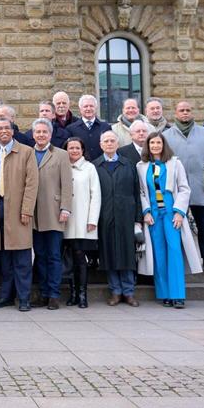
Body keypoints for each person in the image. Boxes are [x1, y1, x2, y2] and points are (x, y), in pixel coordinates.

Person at [137, 132, 203, 309]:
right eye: (152, 143)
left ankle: (177, 295)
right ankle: (164, 293)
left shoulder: (175, 163)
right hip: (153, 215)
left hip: (171, 212)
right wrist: (146, 212)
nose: (156, 146)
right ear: (148, 146)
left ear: (163, 144)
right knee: (158, 253)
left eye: (158, 142)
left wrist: (179, 212)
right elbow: (142, 192)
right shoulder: (142, 166)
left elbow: (184, 188)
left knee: (174, 250)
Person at [0, 118, 38, 311]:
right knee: (5, 259)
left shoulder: (26, 152)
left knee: (22, 258)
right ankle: (6, 296)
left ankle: (23, 298)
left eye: (7, 128)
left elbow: (32, 184)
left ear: (13, 131)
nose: (3, 131)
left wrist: (26, 210)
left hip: (18, 210)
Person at [163, 101, 204, 271]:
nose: (185, 113)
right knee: (176, 224)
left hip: (201, 185)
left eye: (188, 110)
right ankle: (179, 257)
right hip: (177, 189)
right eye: (182, 110)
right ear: (176, 113)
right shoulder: (166, 135)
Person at [94, 131, 143, 307]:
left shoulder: (128, 165)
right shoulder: (95, 166)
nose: (109, 144)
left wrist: (138, 218)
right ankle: (115, 291)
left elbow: (137, 193)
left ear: (117, 144)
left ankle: (128, 292)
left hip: (126, 216)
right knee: (109, 254)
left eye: (112, 141)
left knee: (127, 254)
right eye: (106, 141)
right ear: (101, 144)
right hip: (105, 217)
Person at [31, 118, 73, 310]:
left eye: (44, 132)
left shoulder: (61, 155)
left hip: (54, 212)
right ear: (33, 134)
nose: (40, 135)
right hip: (33, 214)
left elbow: (67, 184)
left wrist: (66, 208)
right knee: (39, 255)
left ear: (49, 134)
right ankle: (43, 293)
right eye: (37, 132)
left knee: (53, 255)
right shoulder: (28, 154)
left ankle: (54, 294)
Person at [63, 137, 100, 309]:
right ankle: (72, 294)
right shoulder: (62, 167)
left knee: (80, 258)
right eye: (71, 148)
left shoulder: (89, 168)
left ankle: (82, 294)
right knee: (68, 259)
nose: (74, 151)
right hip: (65, 220)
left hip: (83, 221)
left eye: (77, 148)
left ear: (82, 150)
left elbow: (96, 195)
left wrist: (92, 219)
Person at [66, 95, 112, 162]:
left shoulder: (105, 127)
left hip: (102, 167)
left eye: (91, 106)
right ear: (80, 108)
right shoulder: (71, 129)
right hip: (80, 167)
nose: (88, 109)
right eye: (85, 106)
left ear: (96, 108)